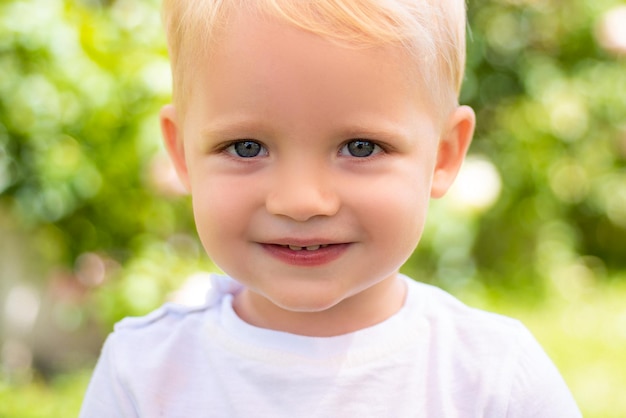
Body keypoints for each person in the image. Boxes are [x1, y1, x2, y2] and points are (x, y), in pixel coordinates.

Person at [80, 0, 581, 416]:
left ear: (443, 155)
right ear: (181, 153)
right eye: (246, 147)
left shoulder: (494, 382)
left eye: (361, 147)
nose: (301, 201)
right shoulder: (143, 376)